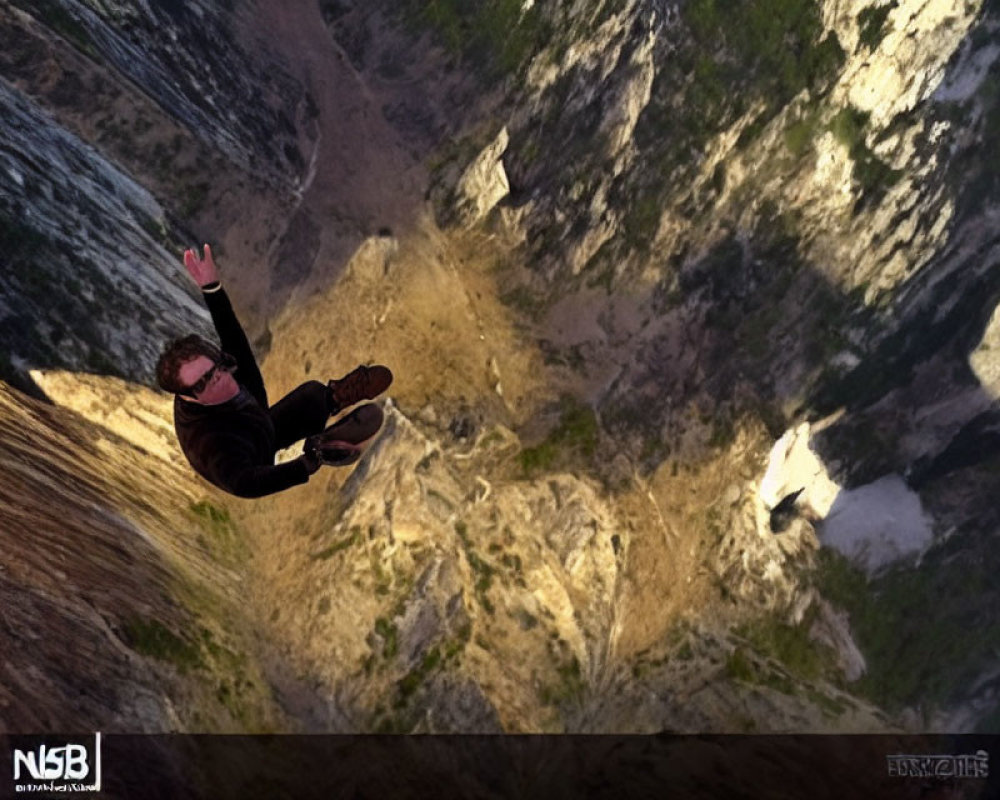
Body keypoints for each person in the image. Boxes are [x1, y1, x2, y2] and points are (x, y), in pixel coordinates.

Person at [155, 244, 392, 498]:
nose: (220, 379)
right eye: (203, 384)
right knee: (287, 434)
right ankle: (320, 449)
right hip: (253, 455)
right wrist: (303, 465)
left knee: (312, 394)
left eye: (217, 368)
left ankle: (332, 398)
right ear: (188, 396)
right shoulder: (209, 444)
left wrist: (211, 287)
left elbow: (230, 334)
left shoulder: (226, 369)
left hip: (256, 419)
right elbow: (244, 484)